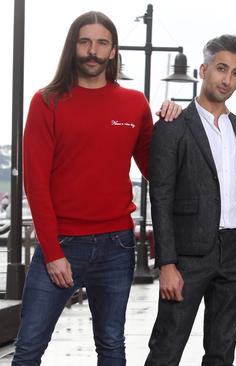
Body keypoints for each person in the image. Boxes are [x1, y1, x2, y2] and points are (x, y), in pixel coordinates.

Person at [16, 11, 180, 365]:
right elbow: (36, 184)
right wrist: (52, 252)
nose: (93, 50)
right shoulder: (46, 102)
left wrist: (173, 126)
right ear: (73, 46)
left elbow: (157, 170)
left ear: (113, 50)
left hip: (116, 246)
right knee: (28, 349)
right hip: (60, 244)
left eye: (101, 43)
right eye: (85, 41)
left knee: (111, 346)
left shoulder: (134, 103)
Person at [144, 35, 236, 366]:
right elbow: (161, 196)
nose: (227, 79)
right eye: (222, 69)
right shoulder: (173, 125)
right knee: (166, 348)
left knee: (222, 353)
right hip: (188, 256)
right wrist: (166, 264)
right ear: (204, 69)